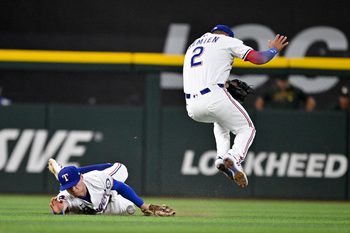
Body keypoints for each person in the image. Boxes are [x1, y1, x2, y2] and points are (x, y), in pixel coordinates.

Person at [183, 25, 288, 188]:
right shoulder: (226, 41)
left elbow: (204, 73)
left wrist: (225, 83)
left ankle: (220, 158)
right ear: (227, 35)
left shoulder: (193, 45)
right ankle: (234, 157)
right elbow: (258, 59)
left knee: (220, 121)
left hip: (191, 106)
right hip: (213, 96)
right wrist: (273, 50)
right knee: (247, 129)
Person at [48, 159, 175, 216]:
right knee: (130, 210)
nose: (73, 190)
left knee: (122, 169)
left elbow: (120, 186)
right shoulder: (65, 194)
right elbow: (62, 204)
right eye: (69, 187)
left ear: (81, 178)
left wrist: (143, 205)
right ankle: (64, 174)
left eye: (75, 185)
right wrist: (60, 210)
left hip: (100, 182)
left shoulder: (96, 178)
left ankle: (62, 172)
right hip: (108, 203)